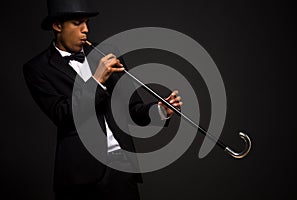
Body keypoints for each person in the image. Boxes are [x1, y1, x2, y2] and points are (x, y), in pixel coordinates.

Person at [23, 0, 182, 199]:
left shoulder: (106, 54)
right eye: (78, 23)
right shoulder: (37, 68)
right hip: (79, 176)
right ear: (57, 25)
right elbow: (62, 114)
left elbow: (134, 108)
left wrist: (159, 110)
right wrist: (96, 81)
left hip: (122, 167)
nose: (86, 30)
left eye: (87, 22)